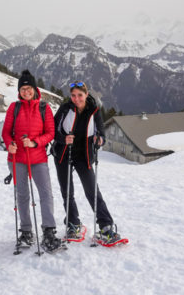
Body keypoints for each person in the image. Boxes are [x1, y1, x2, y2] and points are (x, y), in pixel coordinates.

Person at [52, 81, 122, 244]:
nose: (76, 99)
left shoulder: (94, 110)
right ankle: (73, 223)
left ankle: (106, 226)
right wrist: (63, 138)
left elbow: (101, 132)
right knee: (67, 191)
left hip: (84, 155)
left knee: (92, 191)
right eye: (73, 95)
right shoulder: (65, 108)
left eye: (80, 95)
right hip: (63, 153)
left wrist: (100, 140)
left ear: (86, 94)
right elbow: (52, 129)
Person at [2, 70, 62, 252]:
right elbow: (6, 132)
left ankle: (49, 230)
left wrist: (35, 142)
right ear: (19, 91)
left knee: (45, 194)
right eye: (22, 88)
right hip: (17, 158)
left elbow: (50, 133)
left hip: (38, 158)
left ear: (35, 89)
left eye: (28, 88)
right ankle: (26, 231)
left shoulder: (44, 108)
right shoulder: (14, 107)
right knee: (22, 195)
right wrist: (9, 143)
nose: (25, 91)